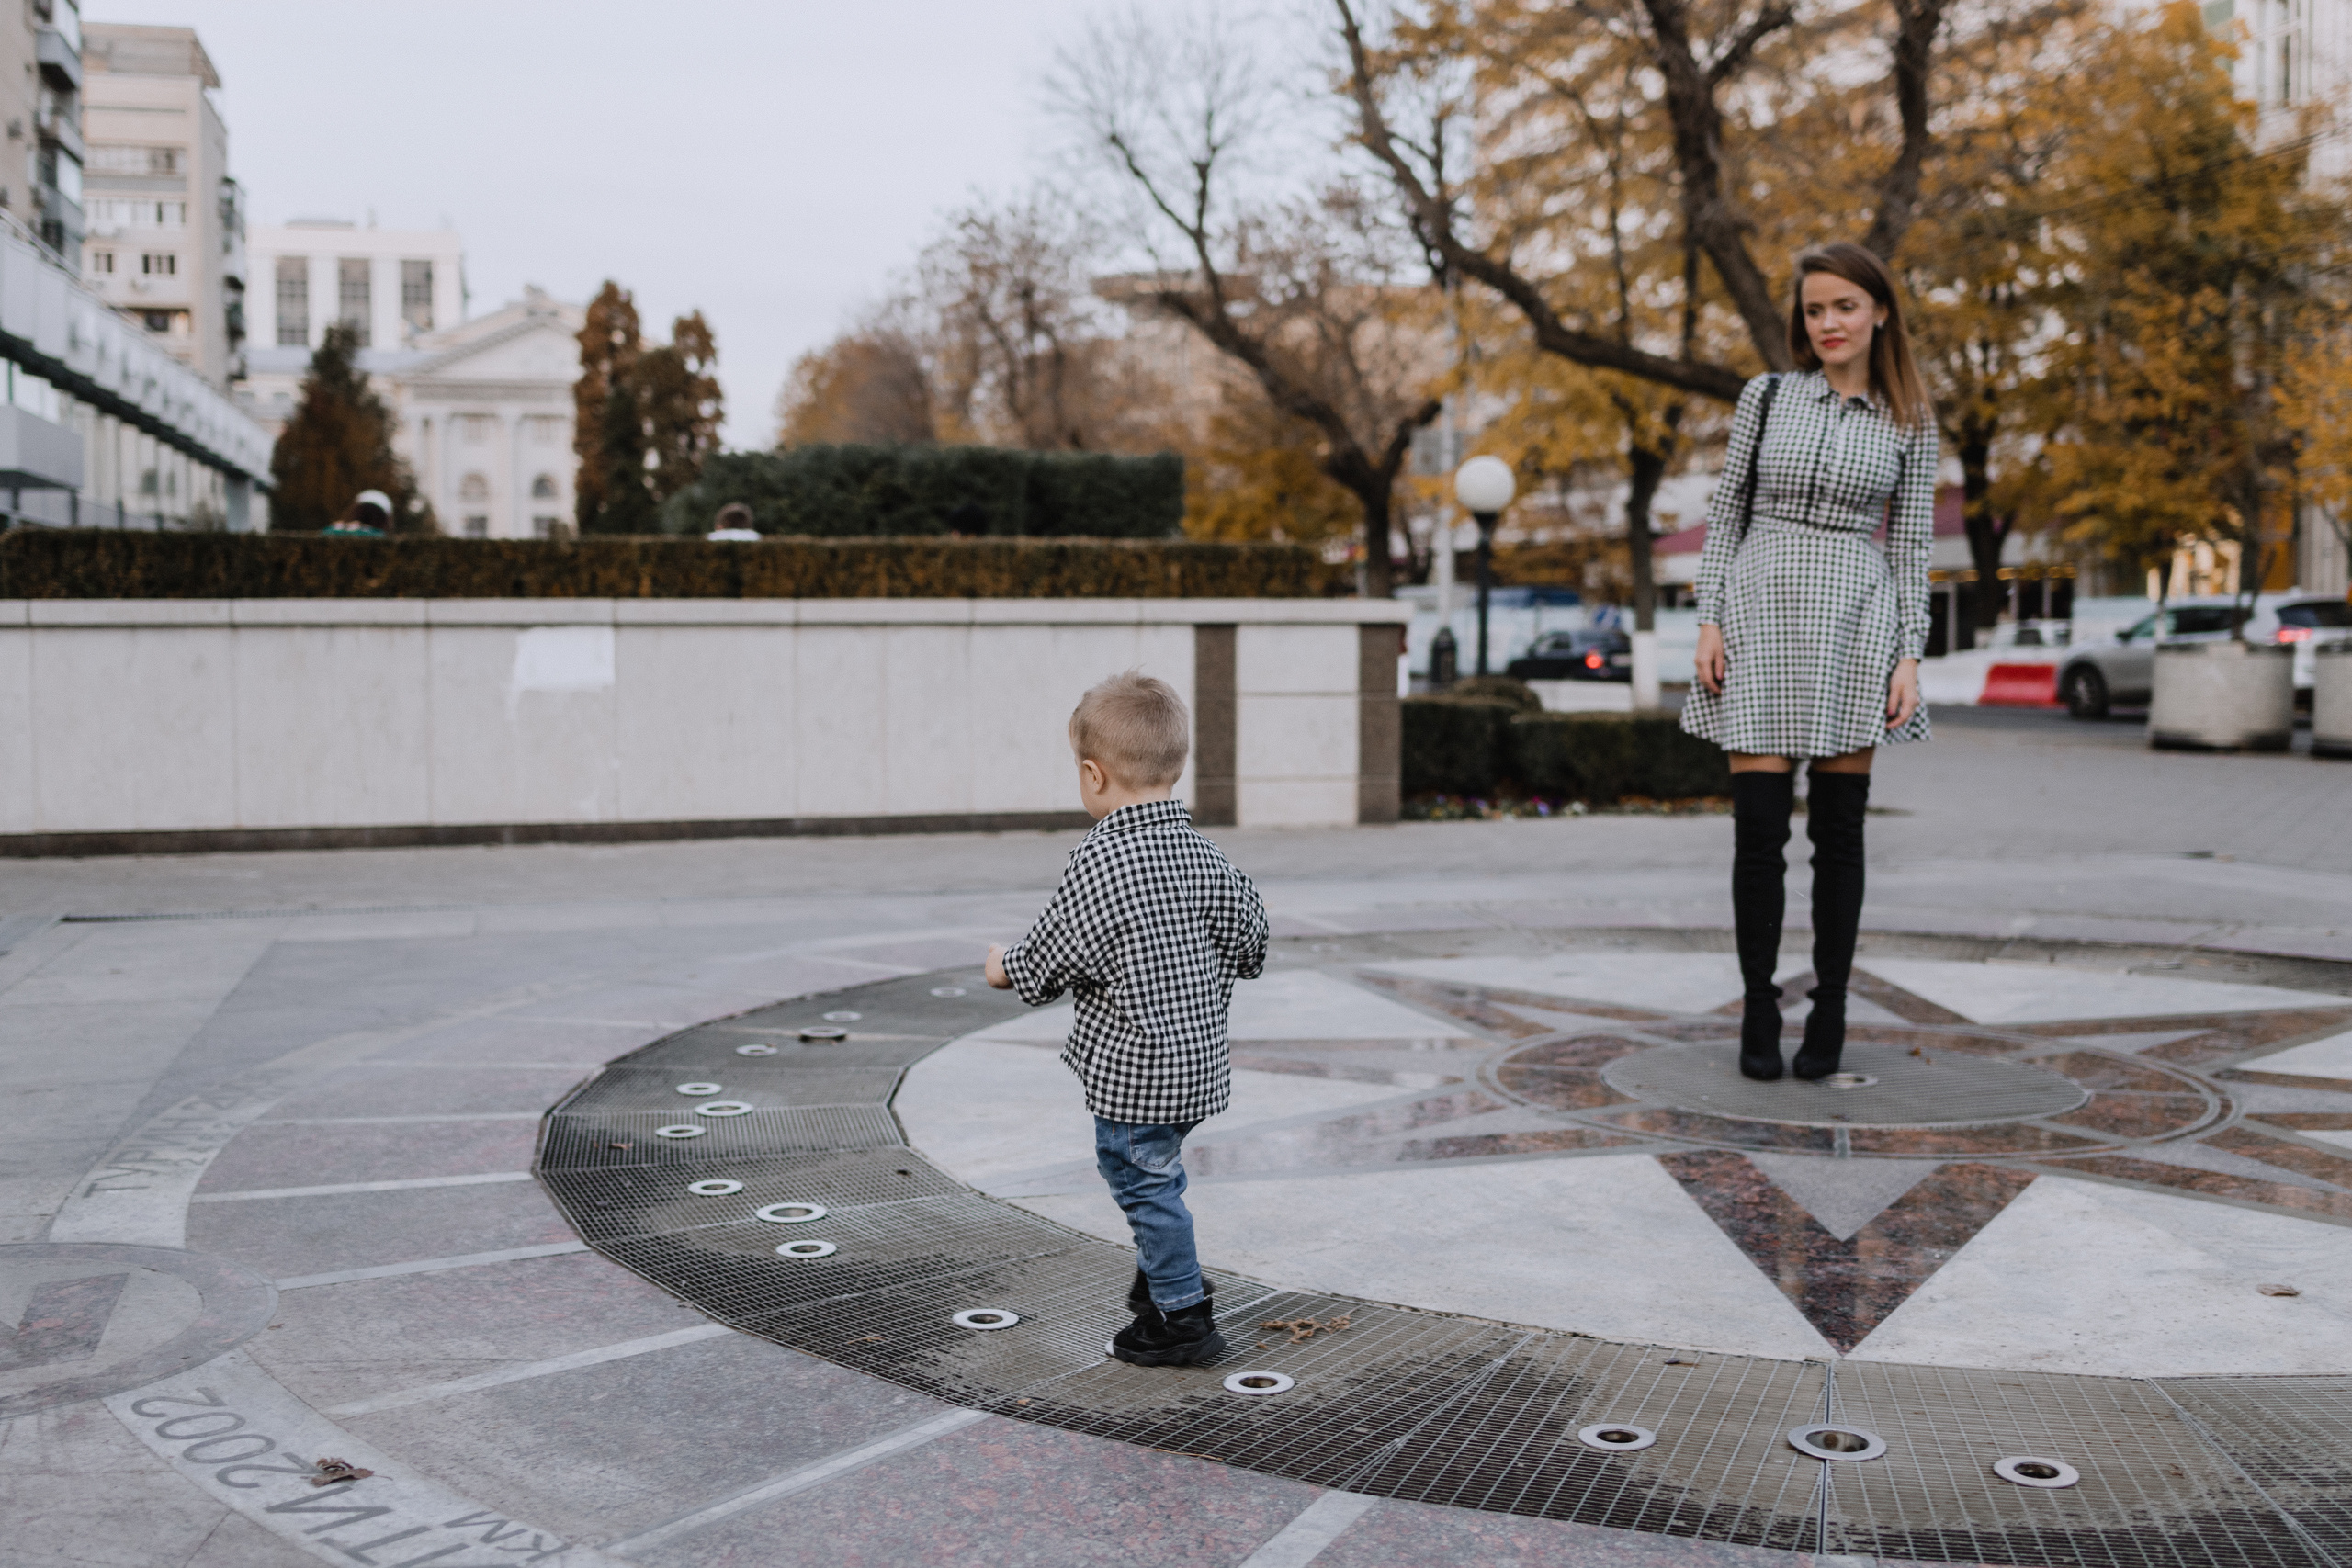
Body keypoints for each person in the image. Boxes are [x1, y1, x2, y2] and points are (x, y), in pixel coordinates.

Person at [1680, 242, 1935, 1085]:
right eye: (1816, 309)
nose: (1828, 323)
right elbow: (1727, 513)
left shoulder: (1911, 421)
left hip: (1857, 620)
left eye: (1845, 307)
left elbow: (1912, 547)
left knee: (1839, 834)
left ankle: (1829, 1008)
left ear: (1880, 313)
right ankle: (1759, 1003)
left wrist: (1910, 654)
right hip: (1760, 606)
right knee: (1758, 833)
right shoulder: (1767, 397)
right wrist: (1709, 616)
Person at [985, 671, 1267, 1367]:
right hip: (1197, 1063)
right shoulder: (1207, 856)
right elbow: (1253, 938)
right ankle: (1165, 1272)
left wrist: (1005, 965)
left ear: (1093, 774)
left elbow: (1054, 954)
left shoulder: (1101, 858)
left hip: (1137, 1074)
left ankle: (1182, 1319)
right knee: (1156, 1171)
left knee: (1141, 1178)